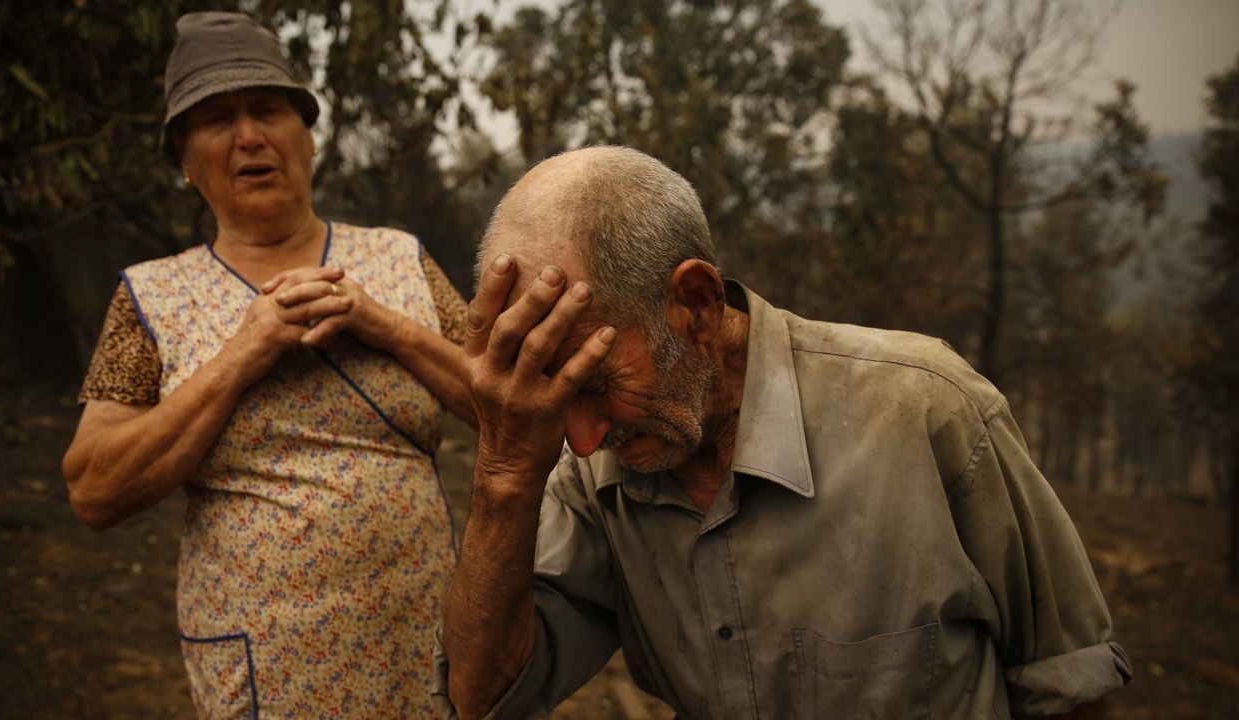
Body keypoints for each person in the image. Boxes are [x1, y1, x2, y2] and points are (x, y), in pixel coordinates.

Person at [435, 146, 1131, 719]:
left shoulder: (925, 409)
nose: (581, 441)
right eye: (555, 399)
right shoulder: (592, 481)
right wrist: (505, 472)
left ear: (698, 304)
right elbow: (484, 697)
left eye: (595, 384)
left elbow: (1070, 685)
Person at [62, 12, 470, 718]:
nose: (249, 135)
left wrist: (384, 324)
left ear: (307, 136)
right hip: (267, 663)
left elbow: (503, 399)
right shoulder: (151, 296)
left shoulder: (399, 258)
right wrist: (240, 356)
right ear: (185, 163)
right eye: (216, 120)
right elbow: (94, 489)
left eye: (268, 110)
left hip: (427, 644)